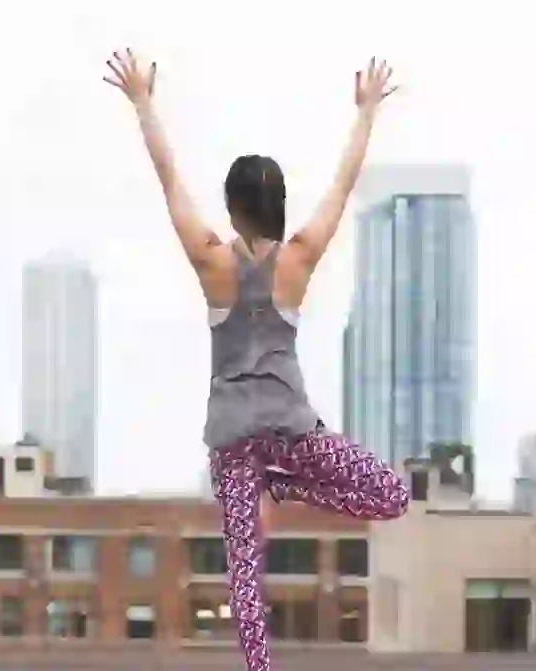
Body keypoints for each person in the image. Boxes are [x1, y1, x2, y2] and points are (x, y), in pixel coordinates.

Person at [104, 48, 409, 671]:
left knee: (246, 570)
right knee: (393, 496)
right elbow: (343, 185)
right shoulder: (298, 259)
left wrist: (143, 102)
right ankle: (287, 484)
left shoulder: (212, 261)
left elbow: (169, 181)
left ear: (234, 206)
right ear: (278, 205)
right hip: (292, 433)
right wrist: (366, 113)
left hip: (235, 445)